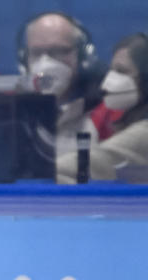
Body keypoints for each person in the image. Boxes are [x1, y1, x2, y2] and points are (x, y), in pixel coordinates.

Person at [16, 11, 106, 168]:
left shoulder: (104, 112)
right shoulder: (13, 113)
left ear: (83, 57)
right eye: (36, 53)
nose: (46, 62)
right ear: (24, 60)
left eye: (58, 51)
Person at [57, 33, 148, 183]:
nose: (110, 80)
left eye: (121, 71)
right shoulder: (112, 117)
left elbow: (71, 169)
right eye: (112, 70)